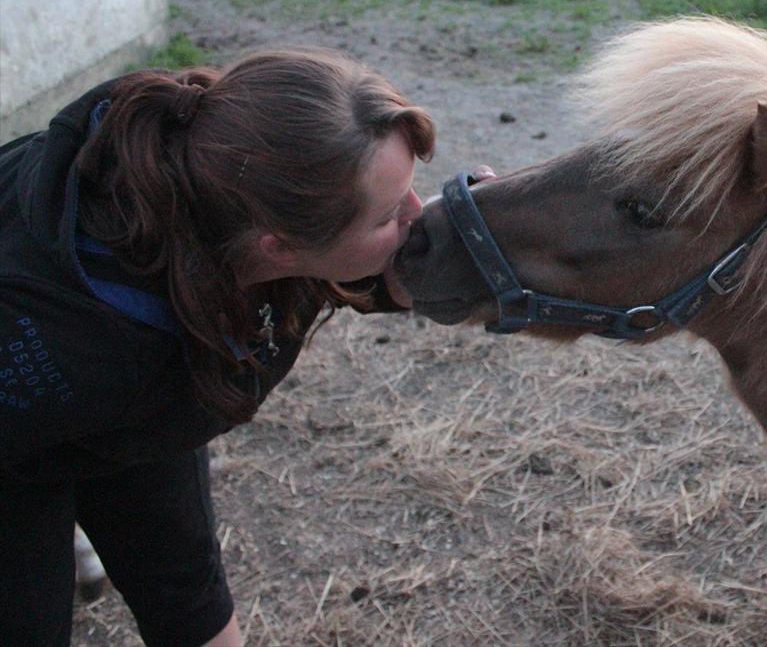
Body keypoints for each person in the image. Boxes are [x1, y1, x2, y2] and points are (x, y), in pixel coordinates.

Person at [0, 48, 474, 646]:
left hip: (126, 408)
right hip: (18, 441)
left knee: (188, 593)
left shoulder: (225, 170)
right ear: (278, 248)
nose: (417, 213)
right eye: (389, 216)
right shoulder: (67, 343)